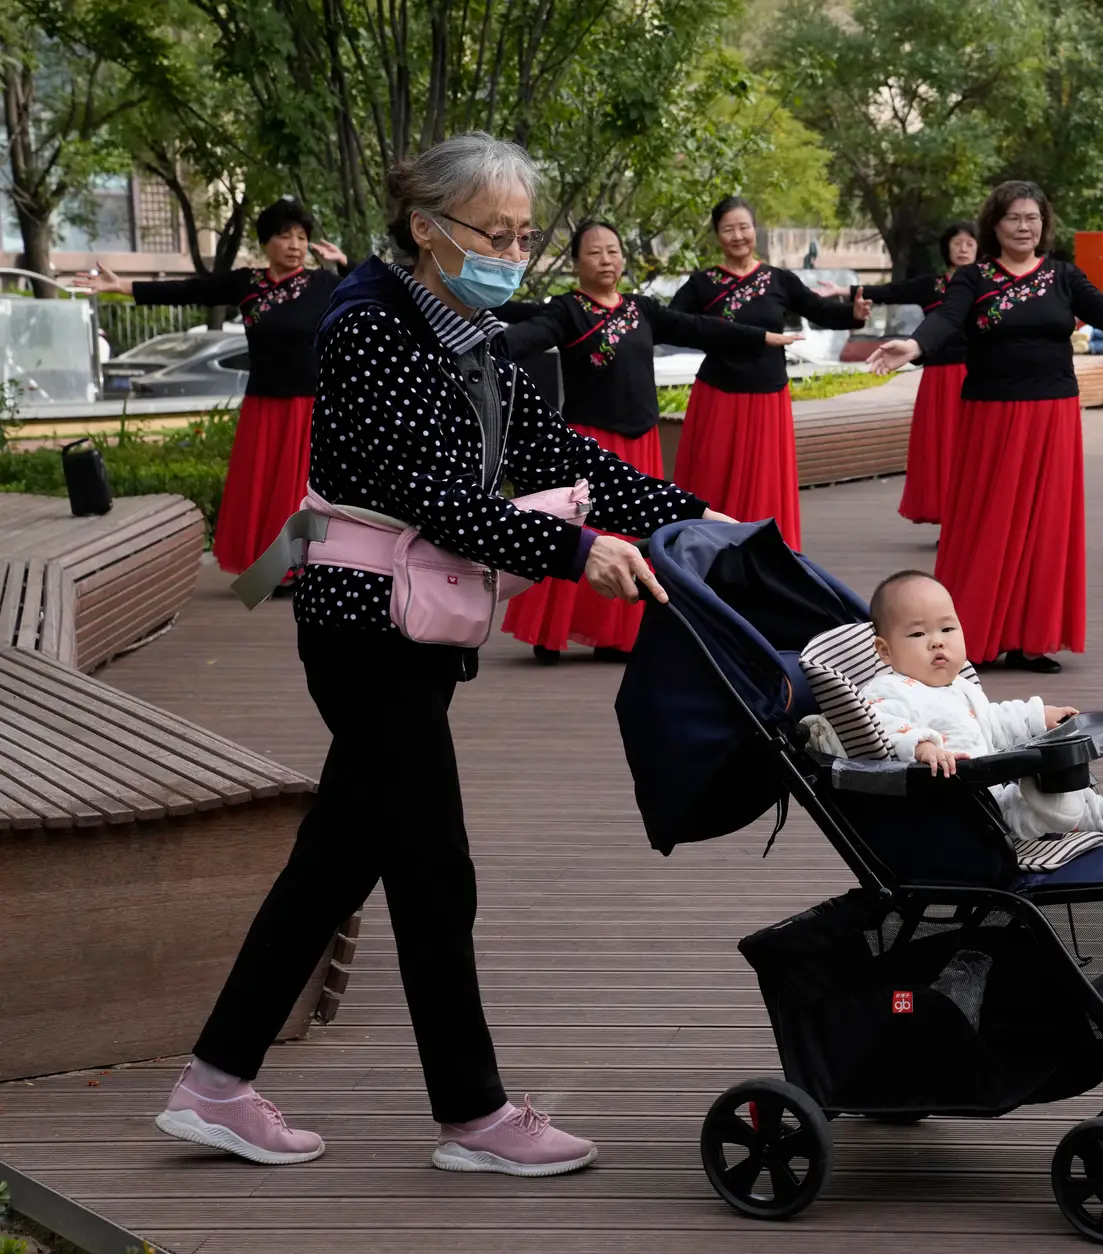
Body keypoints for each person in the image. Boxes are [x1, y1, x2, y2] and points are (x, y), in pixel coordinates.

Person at [153, 132, 734, 1176]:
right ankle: (472, 1115)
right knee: (433, 869)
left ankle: (216, 1084)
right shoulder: (369, 326)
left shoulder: (472, 329)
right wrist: (580, 553)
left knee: (337, 858)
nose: (513, 253)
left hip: (410, 624)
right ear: (425, 227)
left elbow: (556, 453)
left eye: (523, 236)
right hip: (364, 624)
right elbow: (438, 498)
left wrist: (696, 517)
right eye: (493, 234)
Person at [867, 180, 1103, 672]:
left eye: (1033, 218)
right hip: (991, 417)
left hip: (1051, 416)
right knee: (985, 522)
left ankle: (1030, 639)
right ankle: (976, 636)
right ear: (995, 224)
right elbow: (947, 320)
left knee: (1045, 526)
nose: (1024, 226)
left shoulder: (1063, 276)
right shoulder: (973, 278)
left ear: (1044, 224)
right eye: (1014, 217)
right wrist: (913, 346)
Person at [498, 220, 800, 664]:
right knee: (579, 534)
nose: (606, 260)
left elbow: (699, 328)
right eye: (595, 252)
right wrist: (472, 349)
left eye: (613, 251)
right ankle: (551, 633)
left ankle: (617, 635)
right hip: (589, 447)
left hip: (641, 443)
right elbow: (521, 340)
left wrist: (761, 338)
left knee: (635, 535)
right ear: (577, 262)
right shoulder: (567, 311)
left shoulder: (641, 309)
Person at [79, 200, 349, 578]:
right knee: (259, 489)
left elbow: (379, 290)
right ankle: (268, 569)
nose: (295, 245)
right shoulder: (246, 283)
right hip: (263, 404)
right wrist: (123, 286)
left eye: (302, 238)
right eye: (285, 236)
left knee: (297, 490)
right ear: (266, 242)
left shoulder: (323, 284)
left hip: (308, 407)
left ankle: (294, 568)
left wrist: (346, 263)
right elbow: (190, 290)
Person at [862, 569, 1103, 839]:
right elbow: (881, 725)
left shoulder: (959, 686)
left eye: (947, 629)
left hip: (994, 791)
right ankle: (1054, 804)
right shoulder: (889, 690)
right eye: (918, 633)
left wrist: (1037, 717)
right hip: (954, 804)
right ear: (885, 651)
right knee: (1041, 796)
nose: (937, 641)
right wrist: (923, 747)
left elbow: (993, 722)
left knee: (1072, 799)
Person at [668, 197, 869, 551]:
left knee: (765, 484)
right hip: (718, 397)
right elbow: (672, 325)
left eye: (744, 227)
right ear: (717, 235)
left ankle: (765, 556)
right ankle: (704, 552)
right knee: (713, 477)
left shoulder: (779, 279)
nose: (738, 236)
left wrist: (853, 315)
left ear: (755, 230)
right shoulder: (703, 283)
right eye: (728, 229)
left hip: (767, 400)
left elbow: (820, 311)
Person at [830, 220, 979, 526]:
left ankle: (974, 517)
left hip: (977, 376)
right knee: (941, 449)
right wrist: (843, 290)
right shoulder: (931, 286)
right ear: (946, 249)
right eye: (957, 243)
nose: (963, 249)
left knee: (974, 449)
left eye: (970, 244)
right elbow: (891, 291)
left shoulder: (987, 285)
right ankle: (949, 519)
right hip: (938, 379)